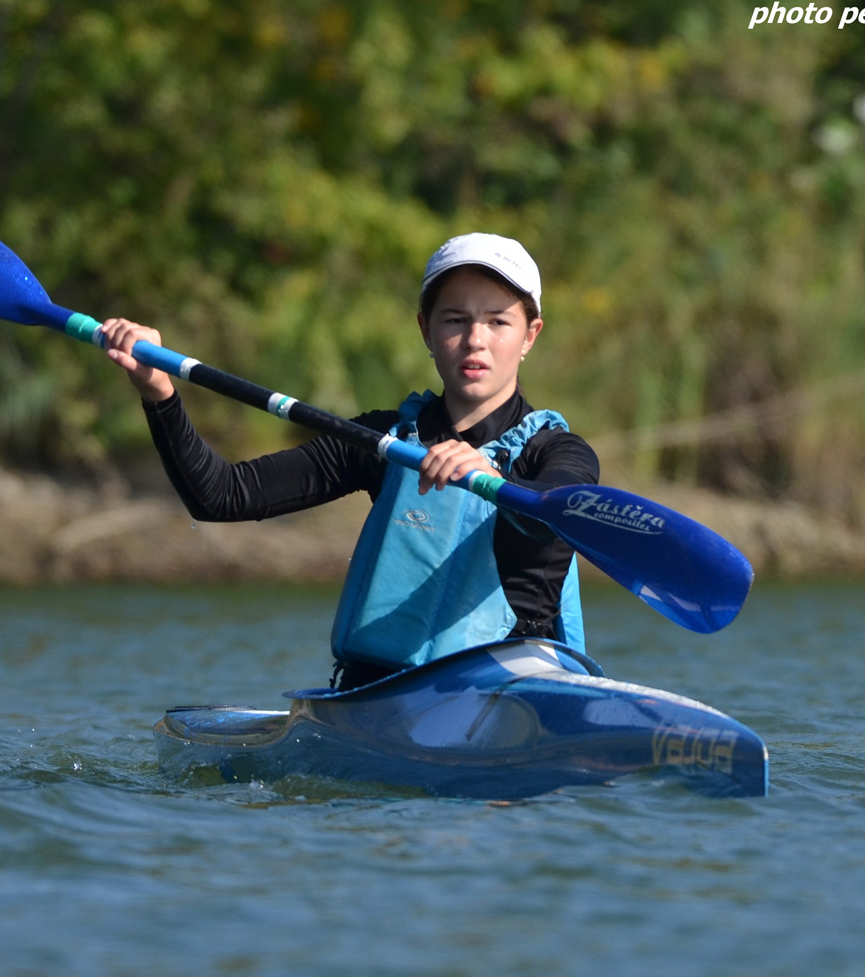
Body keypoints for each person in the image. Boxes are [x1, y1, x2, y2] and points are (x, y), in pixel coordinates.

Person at [101, 233, 600, 690]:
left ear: (529, 335)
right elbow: (222, 495)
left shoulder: (559, 454)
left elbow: (558, 508)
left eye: (498, 321)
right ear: (426, 330)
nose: (475, 339)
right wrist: (158, 392)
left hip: (512, 693)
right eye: (455, 319)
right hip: (379, 693)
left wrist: (491, 477)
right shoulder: (382, 440)